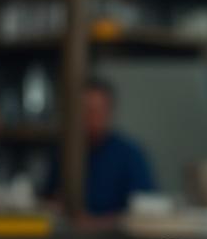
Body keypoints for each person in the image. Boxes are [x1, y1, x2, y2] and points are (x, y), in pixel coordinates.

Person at [46, 78, 155, 224]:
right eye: (86, 111)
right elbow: (49, 197)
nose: (92, 118)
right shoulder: (65, 153)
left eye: (97, 111)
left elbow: (145, 211)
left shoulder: (129, 154)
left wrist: (96, 222)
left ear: (110, 111)